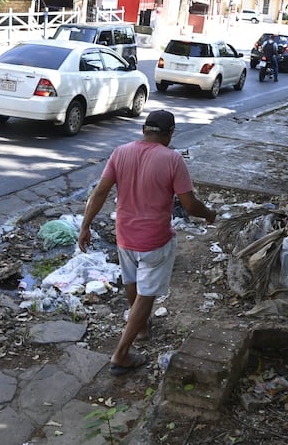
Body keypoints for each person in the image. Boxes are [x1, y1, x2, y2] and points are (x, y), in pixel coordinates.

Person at [78, 110, 217, 376]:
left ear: (144, 129)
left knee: (132, 281)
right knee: (147, 293)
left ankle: (141, 327)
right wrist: (209, 214)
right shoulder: (173, 160)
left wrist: (86, 226)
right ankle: (121, 354)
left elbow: (100, 191)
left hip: (125, 234)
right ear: (170, 134)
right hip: (154, 239)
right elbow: (189, 205)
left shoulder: (120, 152)